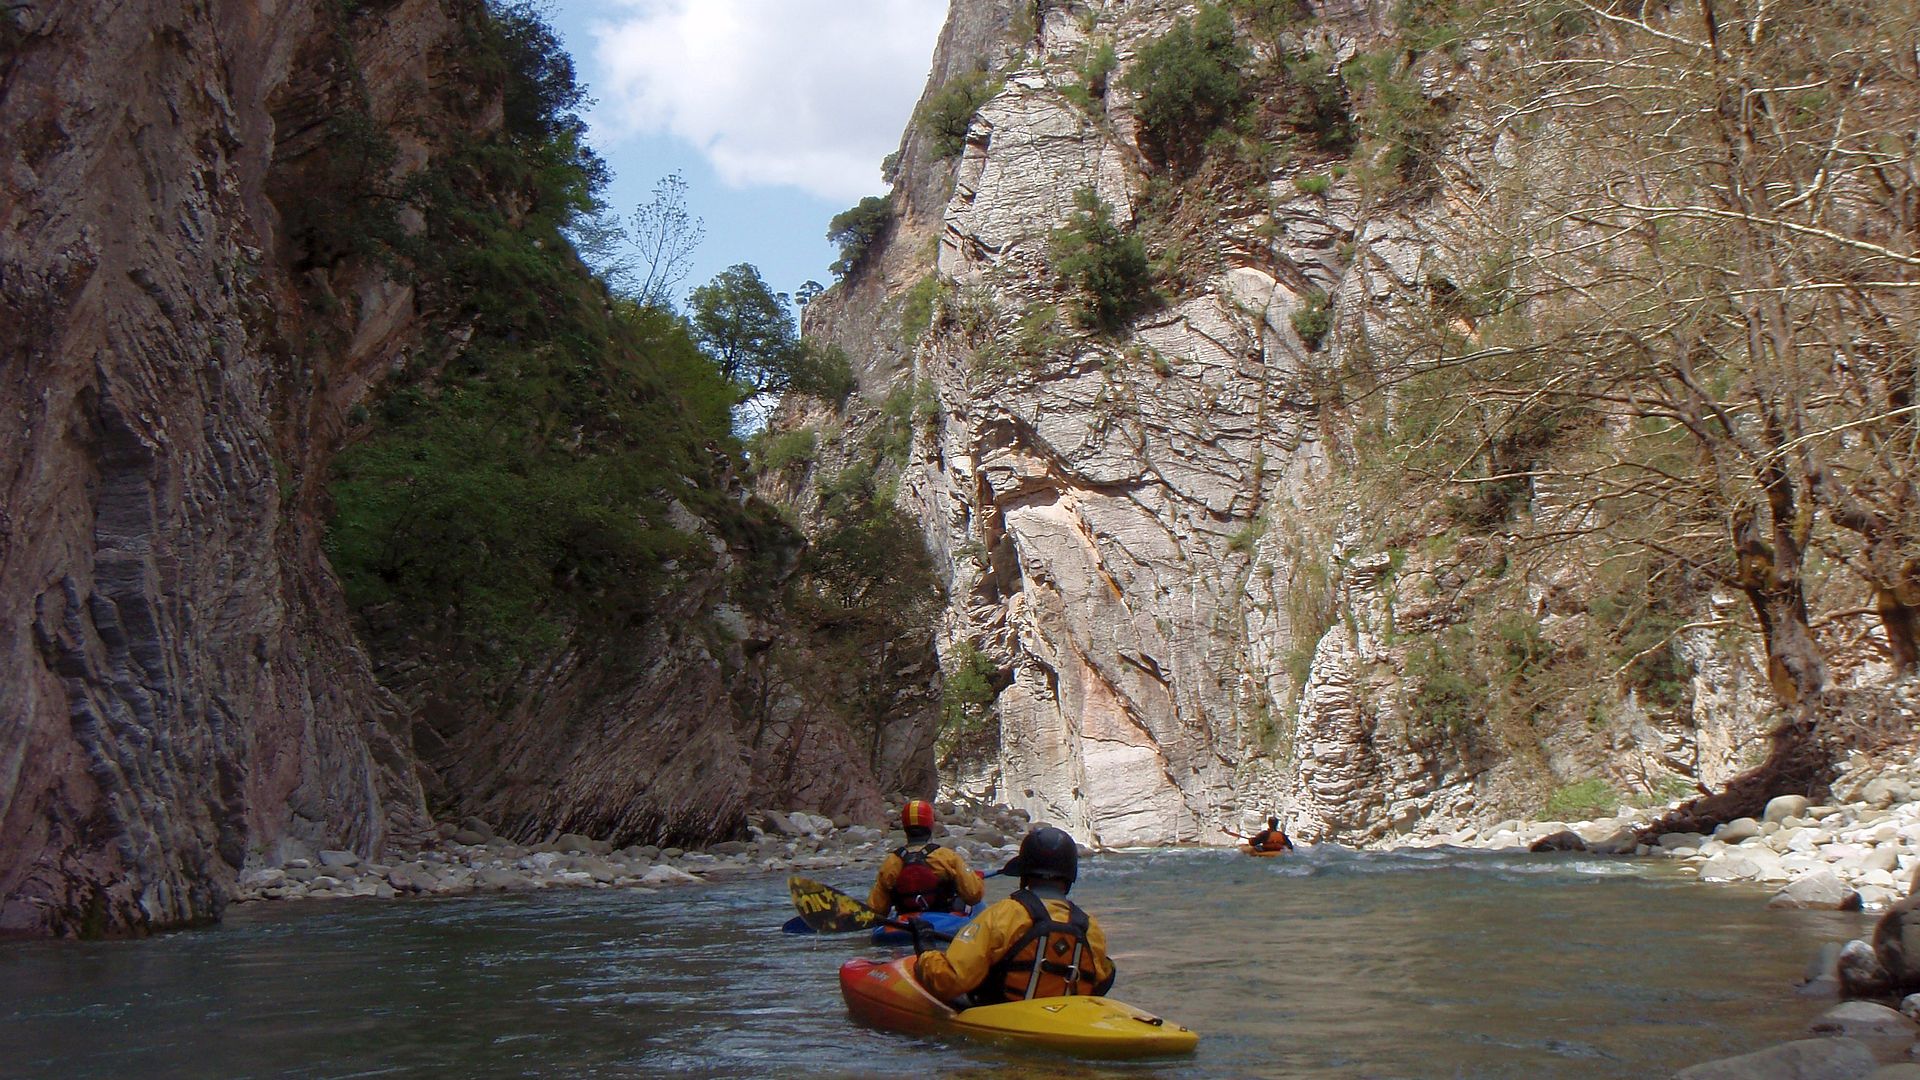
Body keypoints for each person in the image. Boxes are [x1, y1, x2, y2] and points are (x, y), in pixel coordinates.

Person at [914, 825, 1116, 1004]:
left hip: (1003, 1017)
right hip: (1067, 1021)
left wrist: (926, 951)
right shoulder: (1089, 927)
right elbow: (1101, 980)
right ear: (1070, 877)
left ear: (1024, 874)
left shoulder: (1002, 915)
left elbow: (950, 980)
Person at [867, 799, 985, 918]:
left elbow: (876, 910)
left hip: (905, 923)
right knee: (977, 905)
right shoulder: (946, 857)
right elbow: (973, 894)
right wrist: (975, 879)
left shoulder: (891, 862)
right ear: (930, 825)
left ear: (904, 827)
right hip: (943, 919)